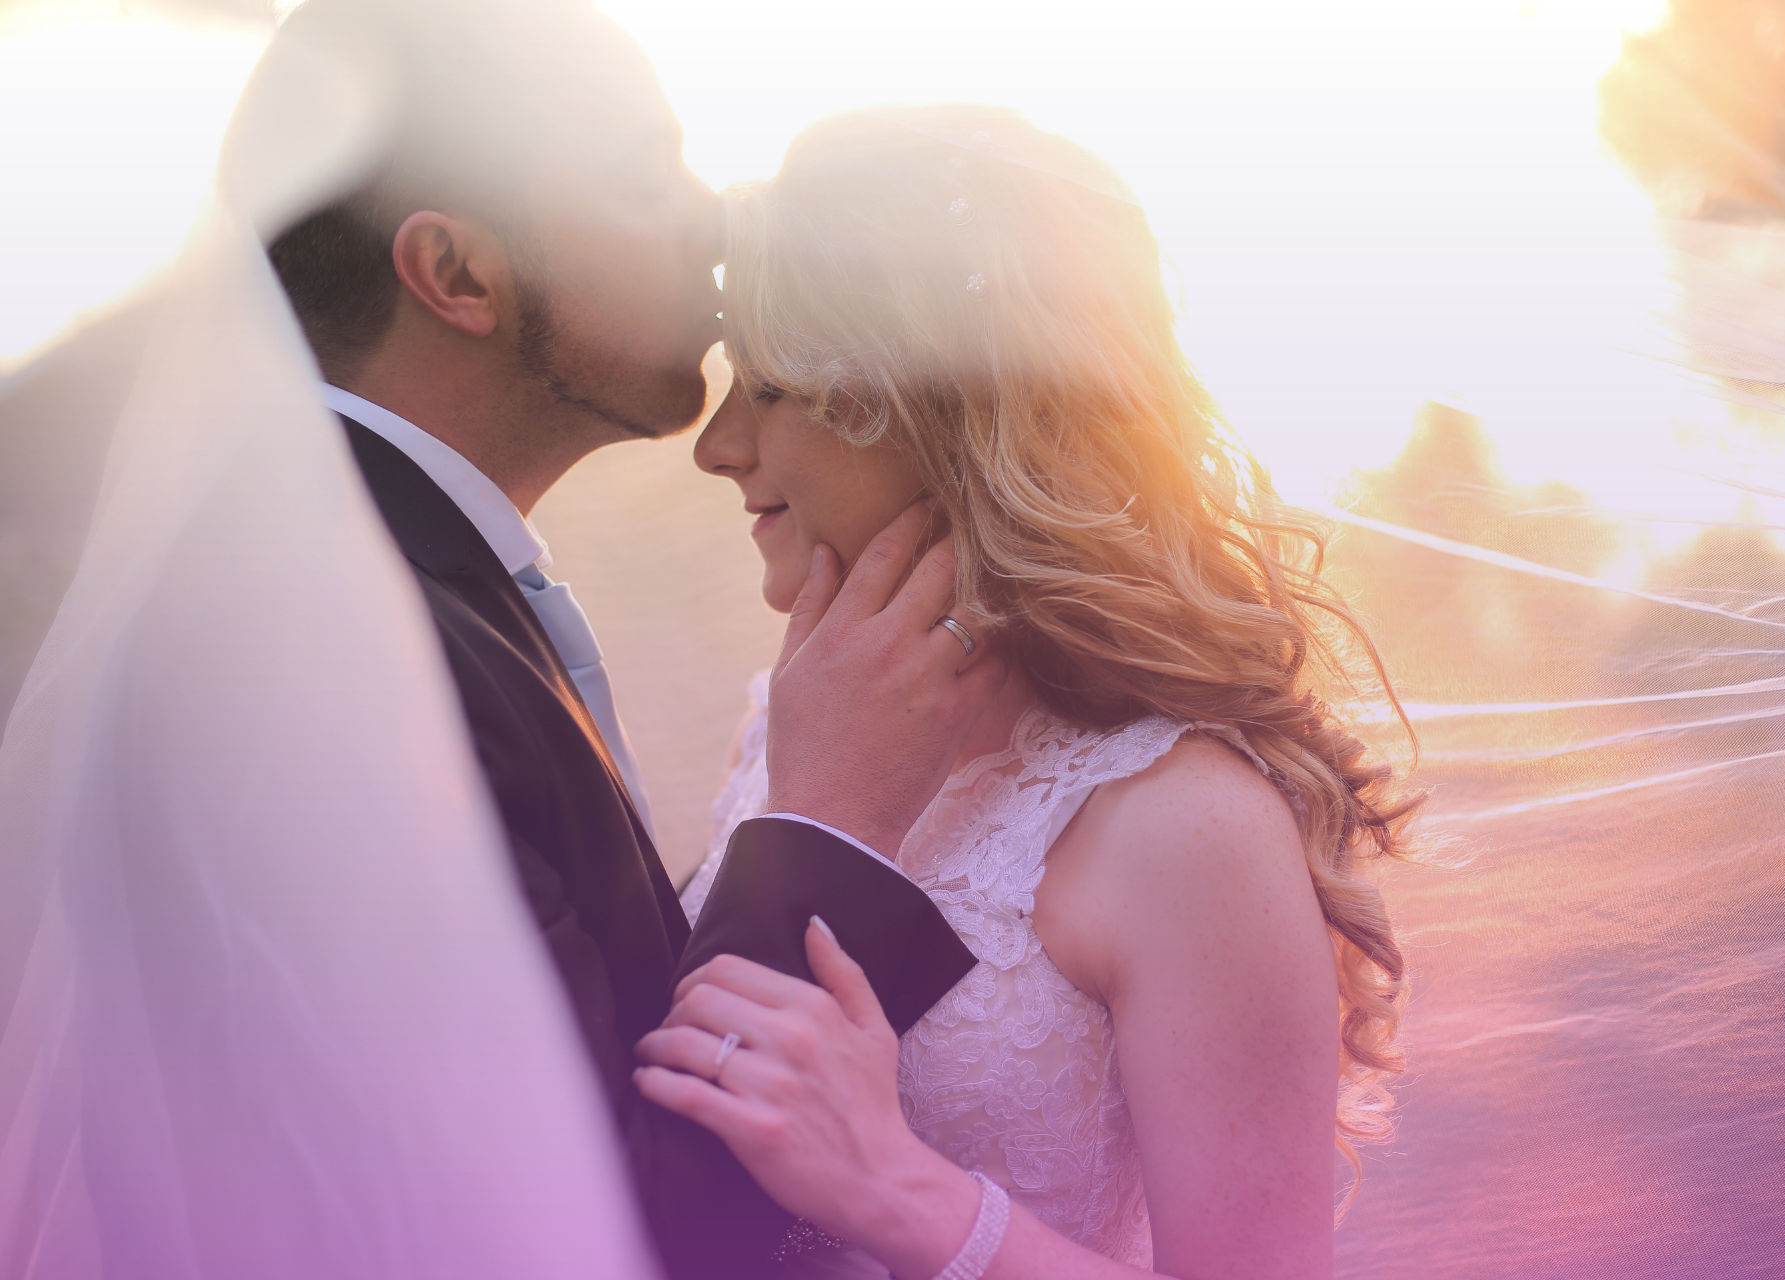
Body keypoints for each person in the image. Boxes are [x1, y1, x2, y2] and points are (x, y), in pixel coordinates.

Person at [260, 5, 1000, 1277]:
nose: (713, 217)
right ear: (458, 276)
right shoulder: (353, 657)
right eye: (643, 175)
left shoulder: (380, 572)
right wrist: (824, 824)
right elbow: (619, 1228)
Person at [639, 106, 1424, 1280]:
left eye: (769, 384)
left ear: (939, 407)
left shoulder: (1186, 824)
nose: (718, 443)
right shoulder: (795, 715)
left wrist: (904, 1192)